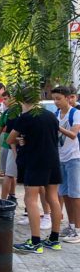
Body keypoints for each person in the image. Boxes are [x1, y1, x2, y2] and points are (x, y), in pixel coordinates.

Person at [8, 87, 63, 254]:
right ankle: (54, 239)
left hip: (35, 161)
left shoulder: (25, 117)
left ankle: (35, 241)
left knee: (30, 199)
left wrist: (21, 140)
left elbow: (10, 138)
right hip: (53, 159)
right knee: (53, 197)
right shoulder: (50, 115)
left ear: (21, 100)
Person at [52, 86, 80, 243]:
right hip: (60, 158)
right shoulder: (56, 114)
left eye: (59, 98)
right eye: (54, 99)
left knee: (75, 195)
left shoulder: (76, 114)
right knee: (65, 194)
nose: (56, 102)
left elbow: (73, 134)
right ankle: (71, 225)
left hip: (74, 158)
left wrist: (57, 126)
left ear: (68, 98)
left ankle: (78, 230)